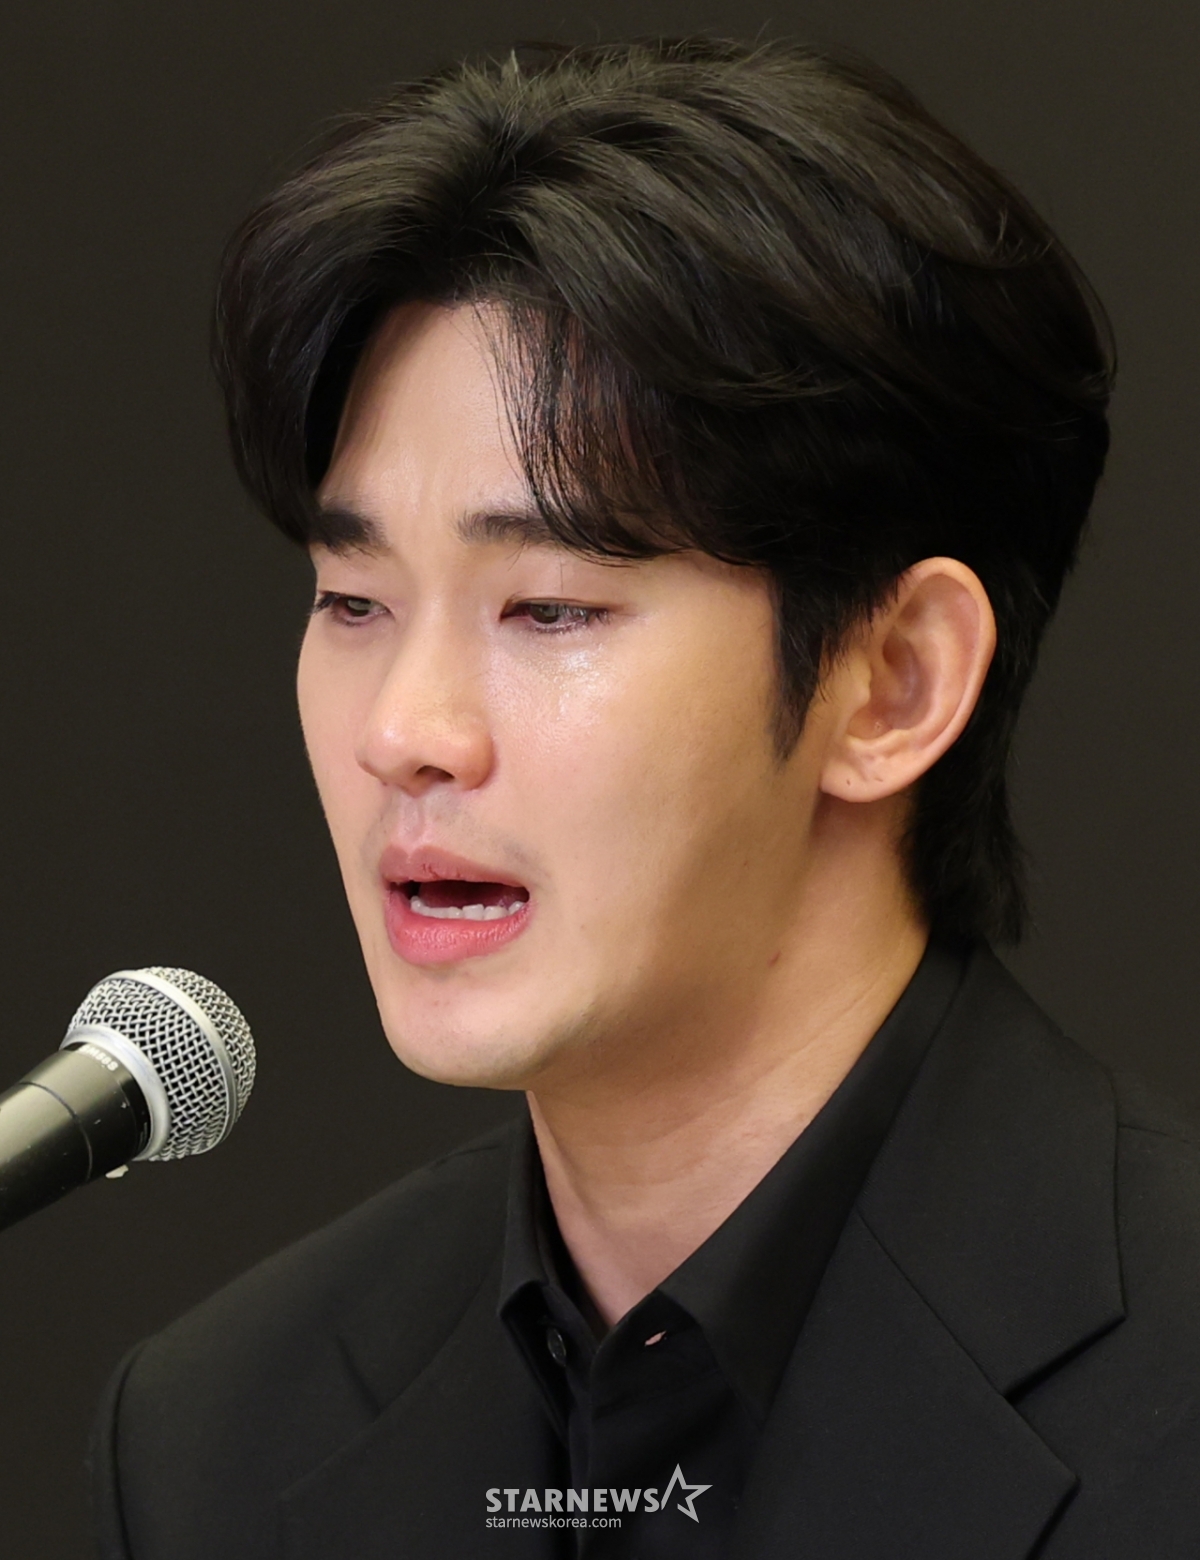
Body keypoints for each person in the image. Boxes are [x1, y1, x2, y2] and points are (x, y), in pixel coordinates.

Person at [90, 36, 1200, 1560]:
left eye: (548, 607)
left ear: (892, 683)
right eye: (351, 599)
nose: (405, 732)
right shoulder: (215, 1437)